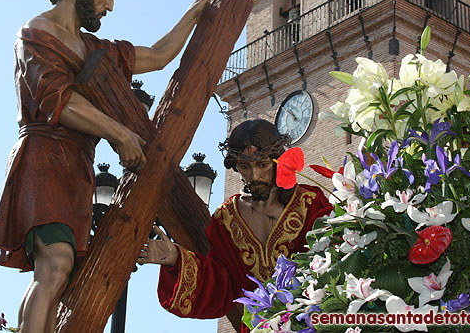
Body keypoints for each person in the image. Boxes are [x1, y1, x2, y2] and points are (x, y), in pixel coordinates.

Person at [0, 0, 213, 333]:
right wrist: (120, 132)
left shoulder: (95, 49)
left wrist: (192, 16)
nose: (109, 7)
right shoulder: (37, 33)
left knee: (62, 274)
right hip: (44, 158)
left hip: (77, 168)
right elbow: (56, 99)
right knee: (55, 264)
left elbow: (158, 56)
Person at [137, 119, 333, 332]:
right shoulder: (226, 218)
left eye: (262, 165)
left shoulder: (310, 202)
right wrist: (175, 257)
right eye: (245, 167)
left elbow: (335, 258)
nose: (255, 176)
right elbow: (220, 286)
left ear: (278, 160)